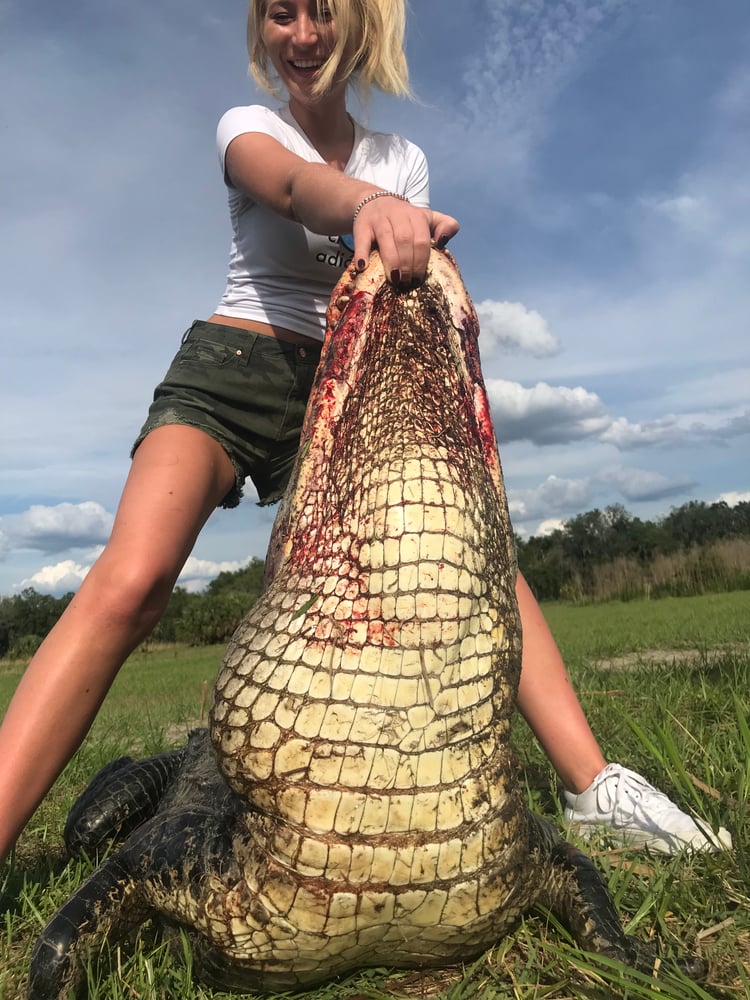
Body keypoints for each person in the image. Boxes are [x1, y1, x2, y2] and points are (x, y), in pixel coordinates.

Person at [0, 0, 730, 868]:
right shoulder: (249, 126)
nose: (301, 36)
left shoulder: (403, 158)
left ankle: (594, 788)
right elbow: (293, 188)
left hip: (347, 383)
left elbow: (400, 284)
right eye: (280, 15)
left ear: (363, 28)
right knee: (135, 580)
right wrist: (372, 207)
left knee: (477, 557)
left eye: (323, 14)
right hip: (234, 366)